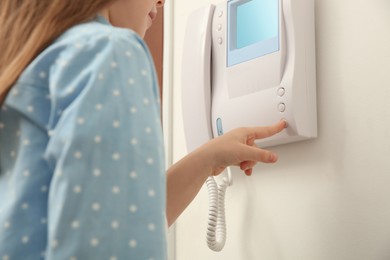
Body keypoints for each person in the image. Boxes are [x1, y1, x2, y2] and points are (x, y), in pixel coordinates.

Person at [0, 0, 286, 259]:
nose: (162, 2)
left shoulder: (29, 69)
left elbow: (118, 217)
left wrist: (208, 157)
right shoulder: (109, 52)